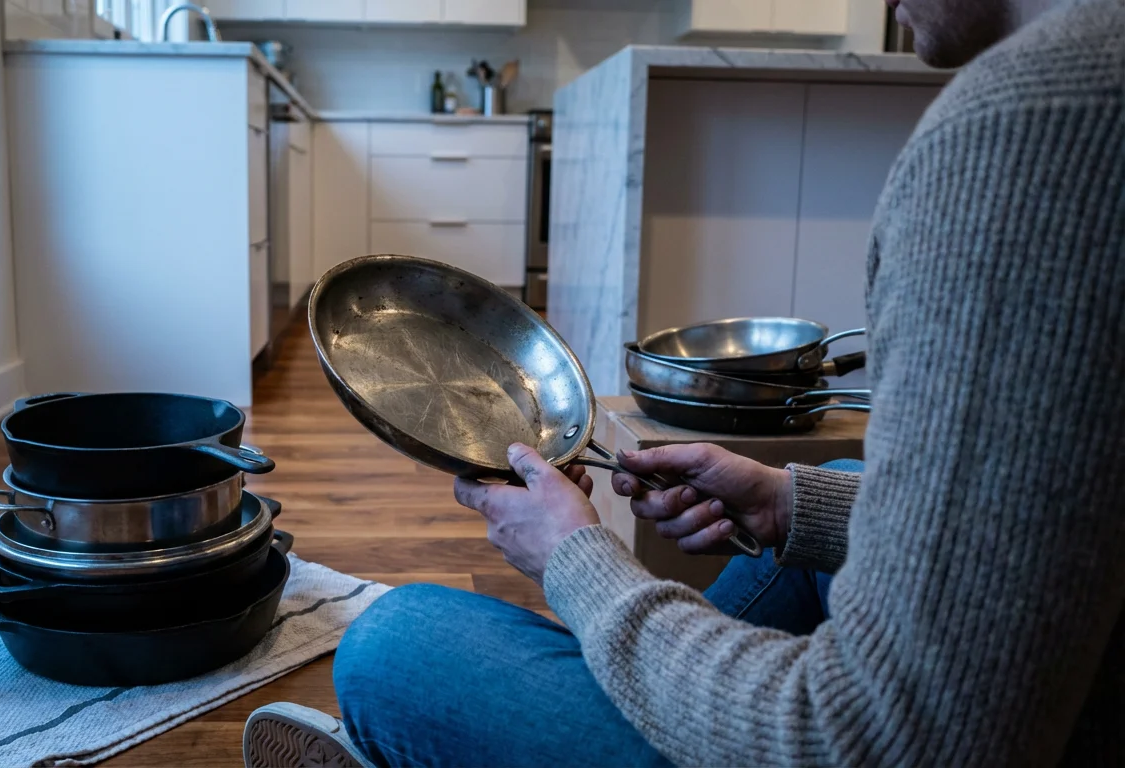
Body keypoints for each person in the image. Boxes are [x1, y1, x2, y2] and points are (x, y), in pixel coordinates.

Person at [242, 0, 1125, 765]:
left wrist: (575, 563)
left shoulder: (1025, 123)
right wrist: (788, 503)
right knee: (849, 490)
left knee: (398, 647)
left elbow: (880, 740)